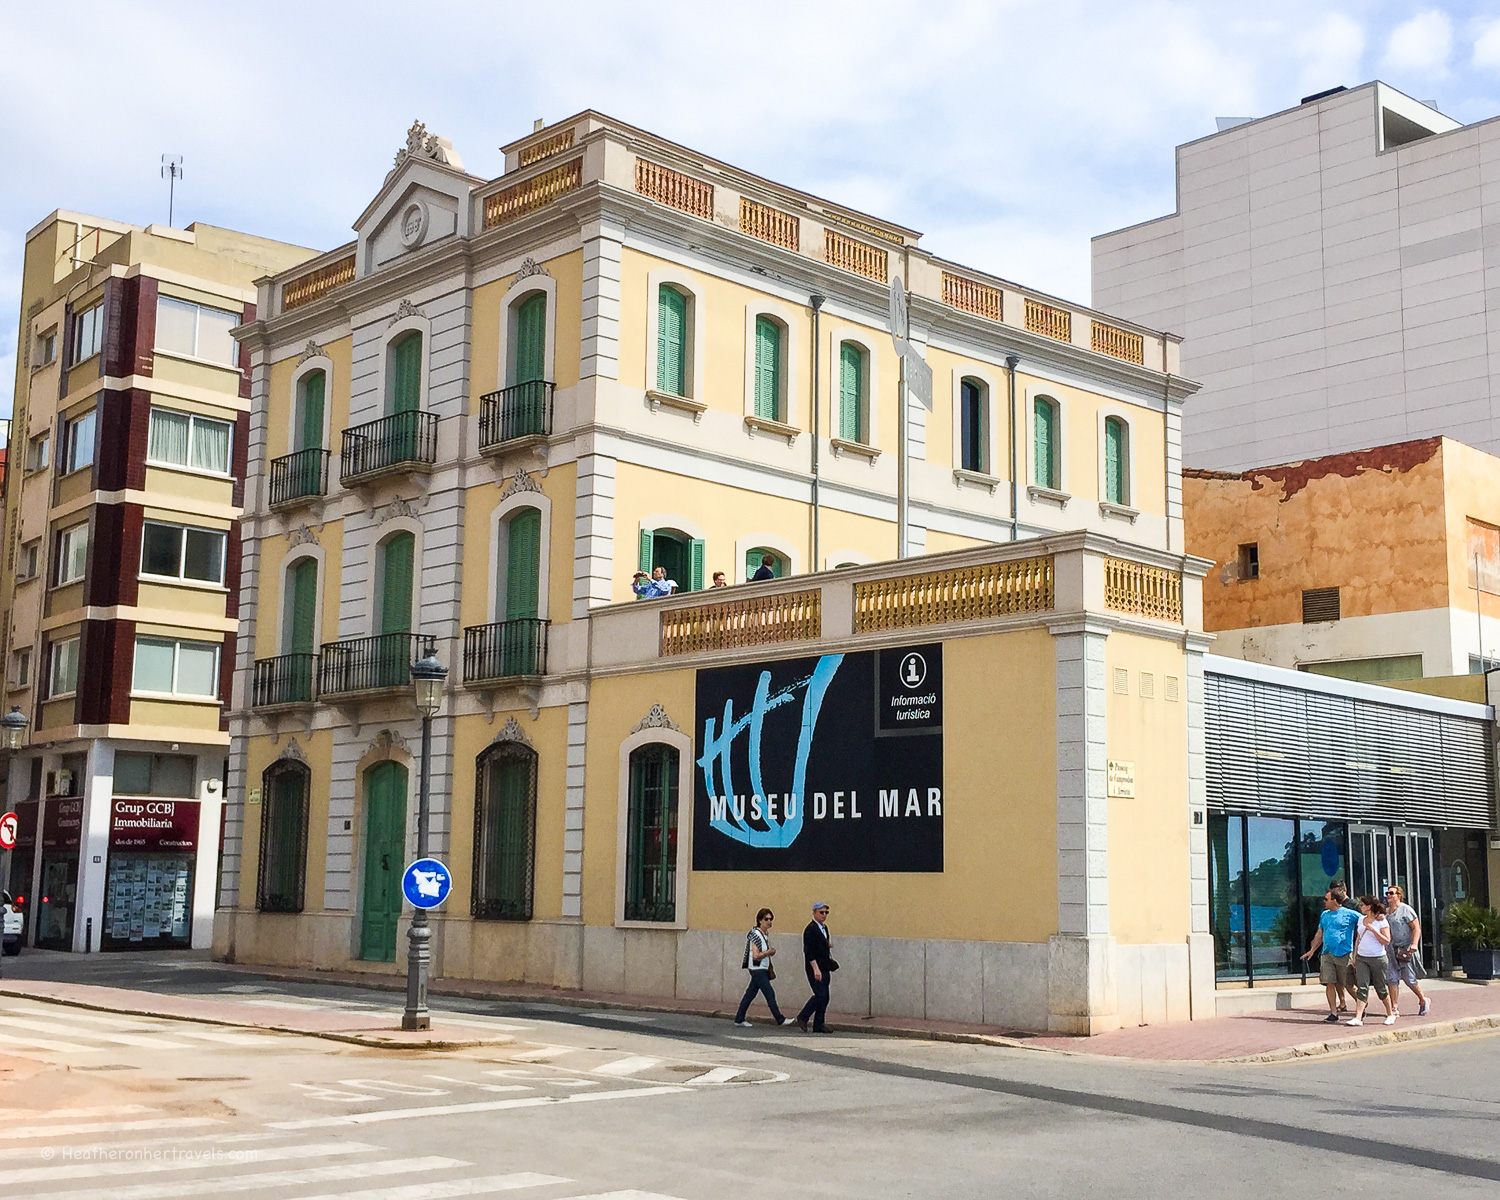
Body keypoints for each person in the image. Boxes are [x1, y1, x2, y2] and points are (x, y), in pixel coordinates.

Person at [1300, 890, 1362, 1023]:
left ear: (1334, 900)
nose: (1324, 901)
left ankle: (1361, 1005)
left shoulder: (1350, 914)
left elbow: (1365, 922)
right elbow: (1320, 933)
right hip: (1327, 953)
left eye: (1326, 899)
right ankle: (1333, 1013)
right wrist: (1312, 950)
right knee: (1329, 982)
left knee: (1348, 984)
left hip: (1344, 953)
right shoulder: (1325, 915)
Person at [734, 908, 792, 1027]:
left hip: (761, 968)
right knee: (769, 993)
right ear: (760, 920)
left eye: (770, 919)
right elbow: (756, 956)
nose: (769, 922)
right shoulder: (755, 934)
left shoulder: (764, 935)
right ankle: (780, 1019)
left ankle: (739, 1018)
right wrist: (768, 952)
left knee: (750, 994)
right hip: (757, 968)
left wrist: (768, 953)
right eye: (766, 919)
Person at [1348, 895, 1396, 1027]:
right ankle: (1358, 1017)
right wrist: (1355, 955)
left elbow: (1386, 941)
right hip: (1362, 958)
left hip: (1378, 958)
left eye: (1362, 905)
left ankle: (1390, 1013)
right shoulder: (1360, 919)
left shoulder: (1381, 921)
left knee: (1380, 987)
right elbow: (1358, 938)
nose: (1360, 907)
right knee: (1362, 987)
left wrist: (1374, 930)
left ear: (1369, 907)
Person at [1383, 885, 1430, 1017]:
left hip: (1405, 948)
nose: (1389, 895)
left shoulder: (1406, 910)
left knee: (1409, 978)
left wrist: (1414, 944)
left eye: (1391, 893)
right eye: (1387, 893)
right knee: (1392, 978)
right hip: (1391, 950)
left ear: (1399, 895)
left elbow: (1416, 927)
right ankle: (1394, 1007)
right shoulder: (1386, 912)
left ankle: (1423, 999)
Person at [796, 901, 836, 1032]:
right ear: (814, 913)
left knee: (825, 997)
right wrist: (815, 968)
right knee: (820, 995)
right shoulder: (810, 929)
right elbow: (809, 951)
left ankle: (819, 1023)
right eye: (821, 912)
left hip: (824, 966)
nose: (824, 915)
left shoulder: (824, 928)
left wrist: (827, 945)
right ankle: (803, 1016)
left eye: (826, 912)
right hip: (815, 968)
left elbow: (821, 944)